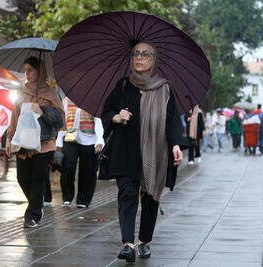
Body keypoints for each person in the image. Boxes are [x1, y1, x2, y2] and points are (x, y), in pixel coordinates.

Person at [101, 43, 186, 262]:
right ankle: (128, 244)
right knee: (127, 194)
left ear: (153, 59)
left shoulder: (164, 88)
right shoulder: (123, 85)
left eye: (144, 54)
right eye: (135, 54)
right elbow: (107, 111)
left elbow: (172, 120)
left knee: (150, 197)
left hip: (156, 152)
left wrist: (176, 144)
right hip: (126, 150)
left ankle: (144, 241)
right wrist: (115, 116)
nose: (139, 58)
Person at [5, 57, 65, 228]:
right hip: (23, 142)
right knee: (22, 178)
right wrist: (9, 139)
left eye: (30, 69)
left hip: (44, 144)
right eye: (25, 69)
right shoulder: (22, 93)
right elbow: (14, 118)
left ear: (40, 72)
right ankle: (36, 203)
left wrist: (42, 110)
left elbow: (59, 121)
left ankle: (32, 215)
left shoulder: (51, 93)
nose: (27, 73)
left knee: (38, 179)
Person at [56, 97, 104, 208]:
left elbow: (98, 120)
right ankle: (67, 197)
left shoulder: (95, 100)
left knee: (88, 170)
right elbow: (64, 119)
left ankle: (84, 199)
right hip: (71, 137)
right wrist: (59, 139)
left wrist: (99, 140)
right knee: (68, 166)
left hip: (90, 138)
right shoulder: (67, 100)